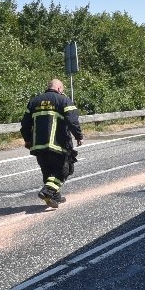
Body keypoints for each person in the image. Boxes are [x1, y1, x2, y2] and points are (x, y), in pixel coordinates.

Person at [20, 79, 83, 208]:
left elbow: (25, 124)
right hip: (57, 144)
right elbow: (72, 120)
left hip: (38, 145)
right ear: (59, 89)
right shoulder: (63, 100)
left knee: (48, 171)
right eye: (63, 90)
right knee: (64, 170)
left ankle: (54, 196)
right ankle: (48, 191)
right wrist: (78, 136)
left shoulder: (34, 101)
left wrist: (27, 140)